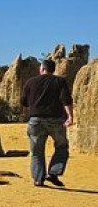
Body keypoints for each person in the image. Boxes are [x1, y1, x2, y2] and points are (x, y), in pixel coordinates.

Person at [20, 59, 74, 187]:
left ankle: (38, 180)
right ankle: (53, 173)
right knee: (62, 147)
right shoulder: (60, 81)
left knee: (37, 152)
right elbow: (66, 99)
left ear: (42, 69)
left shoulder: (30, 82)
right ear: (53, 70)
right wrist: (70, 116)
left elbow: (23, 102)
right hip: (56, 120)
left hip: (35, 121)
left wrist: (34, 104)